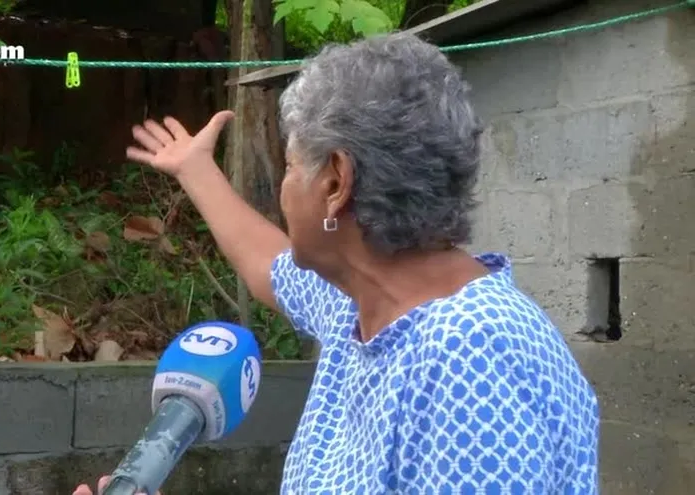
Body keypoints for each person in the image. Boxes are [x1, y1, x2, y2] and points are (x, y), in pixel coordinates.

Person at [75, 31, 600, 495]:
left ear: (334, 183)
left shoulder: (473, 359)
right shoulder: (366, 307)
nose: (284, 187)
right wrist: (196, 171)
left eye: (290, 165)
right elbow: (269, 264)